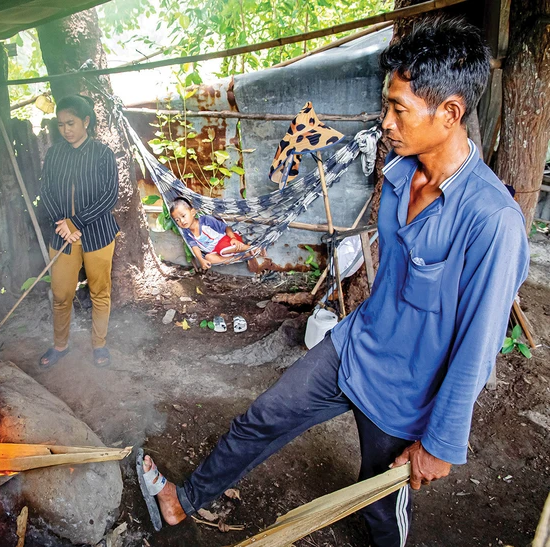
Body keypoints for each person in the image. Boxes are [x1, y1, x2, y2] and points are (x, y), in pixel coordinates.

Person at [138, 17, 530, 546]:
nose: (385, 121)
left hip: (406, 396)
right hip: (352, 349)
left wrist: (439, 442)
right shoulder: (397, 176)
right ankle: (183, 502)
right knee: (262, 417)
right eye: (385, 105)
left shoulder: (492, 220)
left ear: (451, 112)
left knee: (378, 510)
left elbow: (478, 346)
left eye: (398, 108)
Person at [39, 95, 119, 369]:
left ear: (86, 121)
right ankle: (60, 345)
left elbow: (109, 196)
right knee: (61, 294)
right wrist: (63, 223)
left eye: (71, 123)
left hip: (97, 234)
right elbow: (45, 191)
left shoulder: (103, 154)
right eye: (60, 125)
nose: (66, 130)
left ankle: (100, 345)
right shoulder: (54, 154)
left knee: (100, 292)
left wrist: (77, 223)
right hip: (62, 235)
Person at [168, 197, 271, 273]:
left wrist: (233, 238)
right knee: (208, 257)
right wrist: (201, 260)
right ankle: (243, 255)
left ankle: (251, 248)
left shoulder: (206, 220)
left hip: (229, 240)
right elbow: (194, 246)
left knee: (222, 248)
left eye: (183, 216)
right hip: (219, 252)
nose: (181, 221)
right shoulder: (187, 232)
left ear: (193, 212)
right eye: (177, 220)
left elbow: (226, 227)